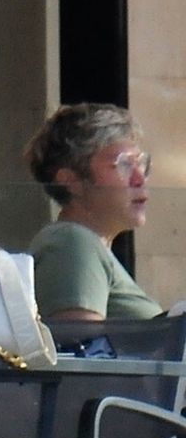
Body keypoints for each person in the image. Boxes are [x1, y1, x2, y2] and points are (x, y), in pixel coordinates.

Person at [23, 103, 162, 321]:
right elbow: (81, 339)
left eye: (142, 164)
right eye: (124, 164)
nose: (140, 179)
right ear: (71, 181)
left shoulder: (86, 244)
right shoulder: (72, 241)